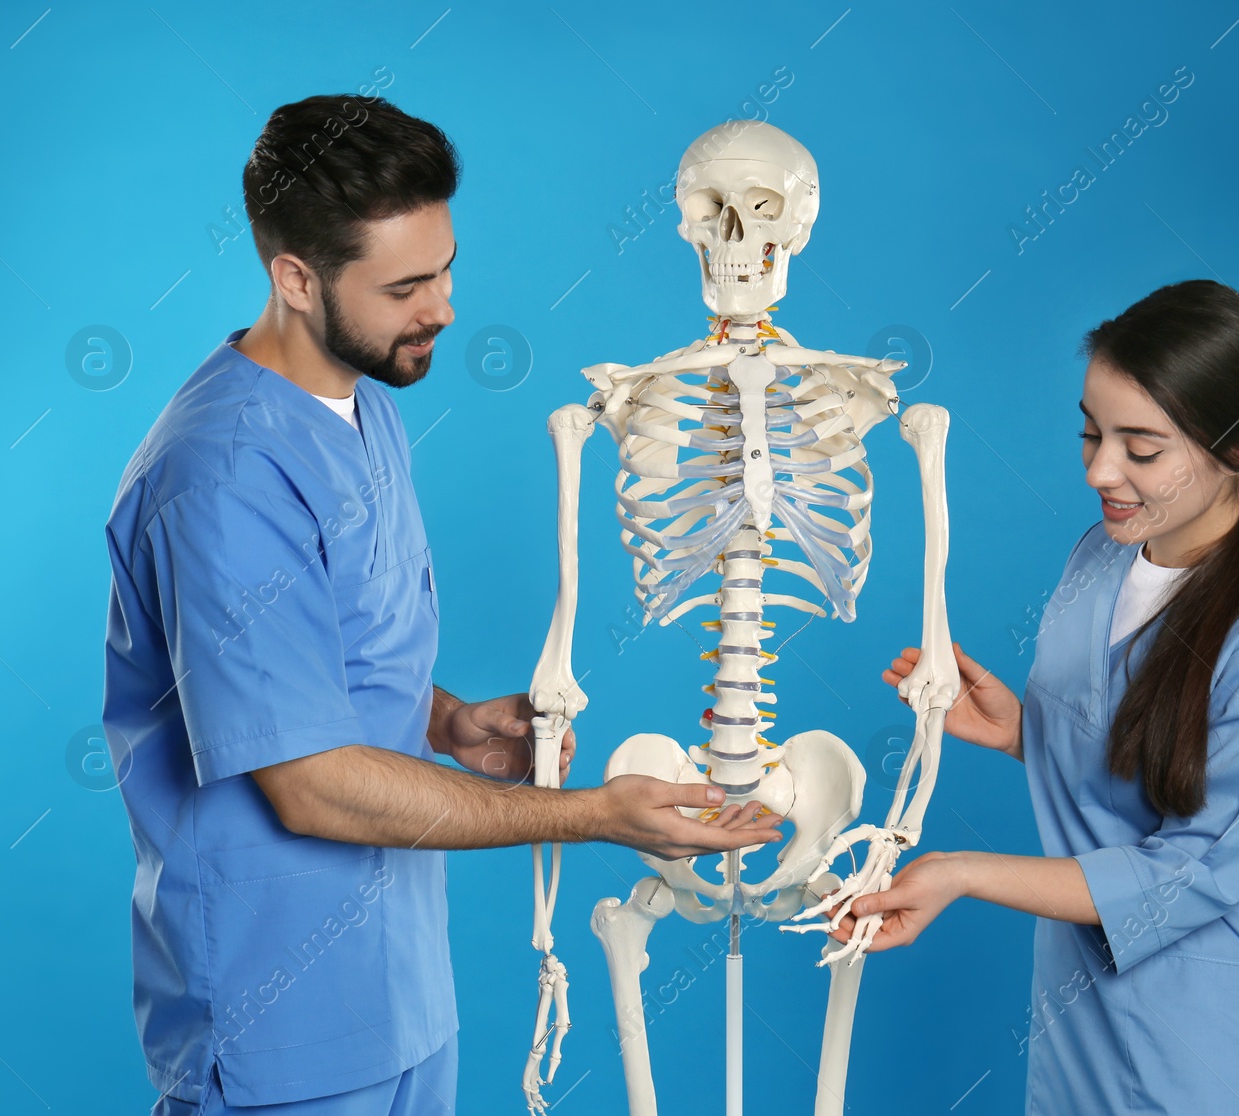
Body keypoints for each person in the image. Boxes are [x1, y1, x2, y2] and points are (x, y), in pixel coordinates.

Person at [101, 94, 782, 1116]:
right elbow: (310, 783)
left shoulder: (361, 401)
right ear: (294, 277)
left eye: (447, 266)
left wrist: (448, 720)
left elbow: (314, 660)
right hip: (280, 1023)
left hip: (401, 993)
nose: (446, 307)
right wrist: (590, 816)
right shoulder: (223, 477)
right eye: (407, 286)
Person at [837, 280, 1239, 1114]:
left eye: (1141, 449)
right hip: (1083, 1024)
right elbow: (1140, 759)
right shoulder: (1105, 557)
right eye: (1091, 431)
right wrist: (1025, 733)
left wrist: (961, 872)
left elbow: (1195, 870)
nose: (1099, 470)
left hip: (1206, 1045)